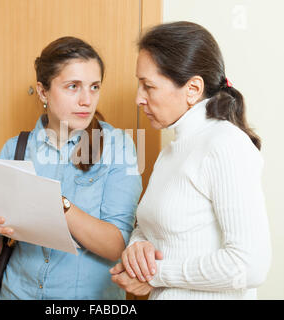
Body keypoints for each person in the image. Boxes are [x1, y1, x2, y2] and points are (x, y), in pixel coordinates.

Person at [110, 21, 271, 300]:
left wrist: (156, 274)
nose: (138, 98)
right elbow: (149, 228)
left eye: (148, 86)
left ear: (193, 88)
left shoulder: (225, 144)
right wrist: (138, 248)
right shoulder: (171, 151)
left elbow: (249, 265)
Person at [0, 36, 142, 299]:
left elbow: (118, 245)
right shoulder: (14, 149)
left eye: (94, 87)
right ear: (43, 91)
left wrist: (58, 204)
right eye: (73, 86)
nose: (87, 100)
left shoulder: (119, 147)